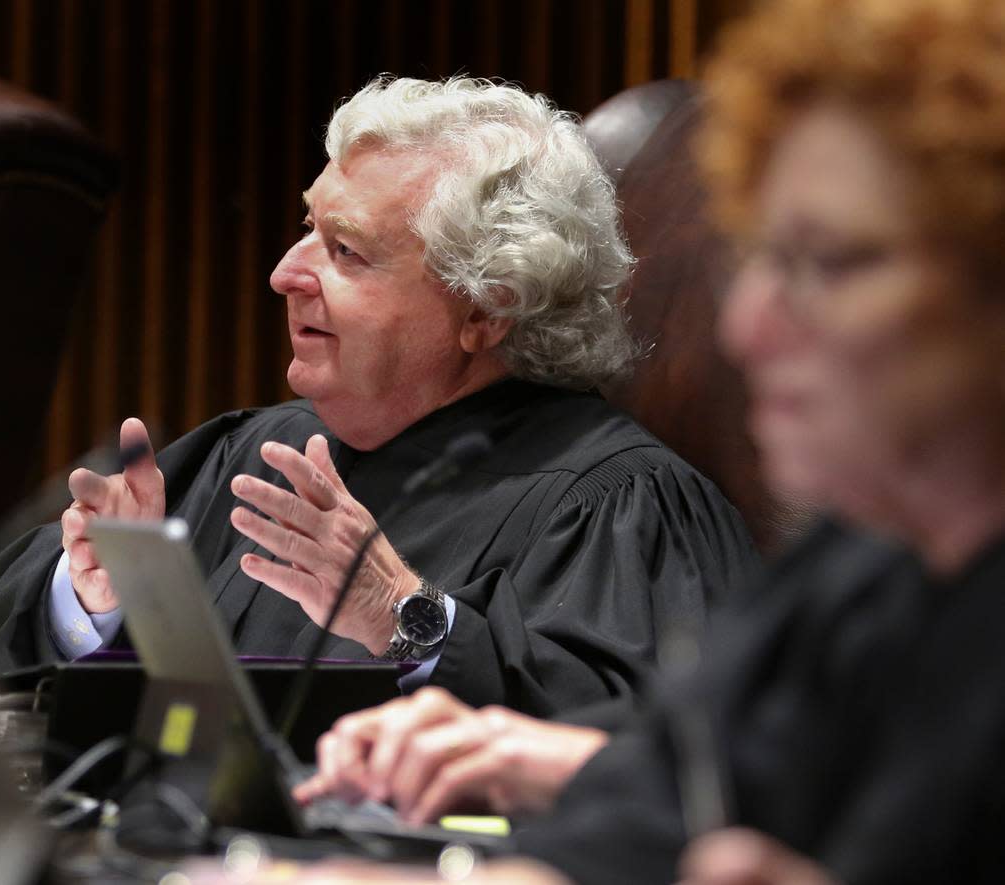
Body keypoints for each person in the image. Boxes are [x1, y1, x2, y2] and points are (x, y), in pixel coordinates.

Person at [235, 0, 1005, 882]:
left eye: (830, 262)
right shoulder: (857, 568)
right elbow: (658, 794)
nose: (748, 327)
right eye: (762, 260)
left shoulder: (618, 493)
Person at [0, 75, 756, 716]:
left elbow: (639, 758)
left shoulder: (617, 506)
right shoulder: (244, 460)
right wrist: (95, 606)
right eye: (308, 227)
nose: (285, 273)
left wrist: (403, 616)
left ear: (486, 305)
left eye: (347, 251)